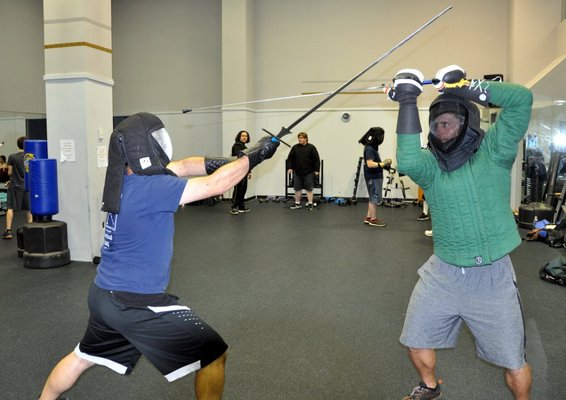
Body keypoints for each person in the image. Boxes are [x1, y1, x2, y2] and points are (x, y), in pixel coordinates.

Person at [38, 112, 279, 400]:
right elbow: (216, 185)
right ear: (146, 146)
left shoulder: (123, 180)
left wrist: (235, 160)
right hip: (133, 302)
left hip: (103, 294)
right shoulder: (152, 187)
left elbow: (186, 165)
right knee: (214, 355)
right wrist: (255, 156)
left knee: (81, 357)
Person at [386, 65, 533, 400]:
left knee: (514, 361)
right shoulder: (431, 167)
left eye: (450, 120)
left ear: (469, 121)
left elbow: (522, 99)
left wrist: (468, 87)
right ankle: (430, 386)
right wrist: (408, 100)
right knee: (415, 340)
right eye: (437, 122)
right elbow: (407, 161)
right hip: (443, 273)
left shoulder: (494, 153)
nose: (443, 126)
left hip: (492, 278)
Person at [359, 127, 391, 227]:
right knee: (374, 198)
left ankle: (368, 217)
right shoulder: (369, 149)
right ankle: (373, 219)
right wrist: (381, 164)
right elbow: (369, 164)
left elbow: (375, 163)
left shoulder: (371, 148)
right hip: (373, 176)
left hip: (374, 175)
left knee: (372, 197)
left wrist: (384, 165)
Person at [2, 137, 32, 240]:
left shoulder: (12, 157)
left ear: (17, 145)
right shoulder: (30, 157)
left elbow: (10, 173)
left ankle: (8, 231)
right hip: (27, 186)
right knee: (28, 209)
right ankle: (31, 230)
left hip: (15, 186)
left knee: (10, 208)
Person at [286, 132, 320, 210]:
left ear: (306, 139)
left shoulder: (311, 147)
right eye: (299, 138)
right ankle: (297, 203)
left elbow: (316, 160)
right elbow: (290, 159)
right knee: (297, 188)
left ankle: (310, 203)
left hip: (309, 172)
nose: (299, 139)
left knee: (309, 188)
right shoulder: (295, 147)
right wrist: (290, 168)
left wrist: (316, 170)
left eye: (301, 138)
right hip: (297, 172)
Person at [230, 130, 251, 215]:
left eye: (246, 136)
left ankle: (241, 207)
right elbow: (239, 155)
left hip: (244, 170)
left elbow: (248, 161)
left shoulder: (244, 147)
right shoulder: (236, 146)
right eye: (242, 136)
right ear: (239, 137)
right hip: (238, 170)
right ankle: (234, 207)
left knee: (243, 189)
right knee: (238, 189)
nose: (244, 137)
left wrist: (249, 171)